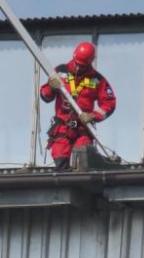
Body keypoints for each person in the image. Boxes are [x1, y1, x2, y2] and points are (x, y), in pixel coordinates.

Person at [39, 41, 116, 170]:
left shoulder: (97, 80)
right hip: (62, 128)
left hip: (83, 129)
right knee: (60, 162)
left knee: (83, 161)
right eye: (77, 64)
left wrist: (93, 116)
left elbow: (109, 103)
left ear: (90, 62)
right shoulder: (60, 71)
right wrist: (51, 88)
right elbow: (45, 95)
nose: (78, 68)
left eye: (82, 65)